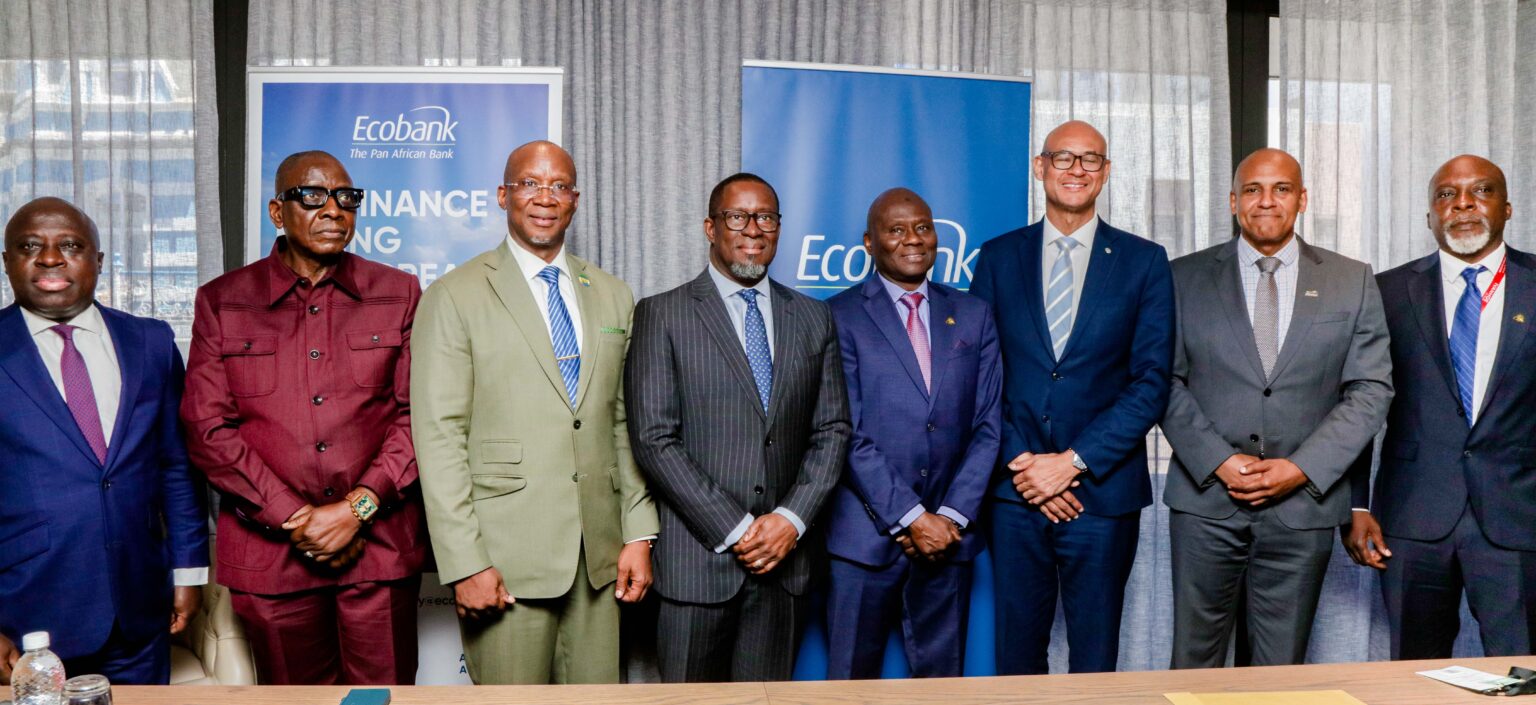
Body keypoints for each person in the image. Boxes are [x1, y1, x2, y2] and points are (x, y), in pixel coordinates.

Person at [413, 140, 658, 685]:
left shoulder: (613, 295)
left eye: (559, 186)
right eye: (529, 183)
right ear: (504, 195)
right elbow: (439, 436)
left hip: (598, 560)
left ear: (575, 200)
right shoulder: (454, 295)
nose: (545, 197)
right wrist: (466, 563)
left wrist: (639, 532)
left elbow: (623, 423)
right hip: (504, 561)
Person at [181, 151, 425, 684]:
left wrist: (355, 510)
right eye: (312, 197)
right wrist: (298, 518)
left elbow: (419, 416)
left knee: (383, 701)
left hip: (379, 553)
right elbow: (207, 429)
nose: (333, 210)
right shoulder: (222, 302)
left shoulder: (399, 292)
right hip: (272, 562)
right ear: (277, 211)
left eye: (346, 198)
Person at [1162, 147, 1392, 668]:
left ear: (1302, 199)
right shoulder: (1181, 277)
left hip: (1302, 507)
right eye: (1253, 190)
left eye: (1281, 189)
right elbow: (1163, 380)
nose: (1266, 201)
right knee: (1193, 663)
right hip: (1206, 504)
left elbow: (1371, 389)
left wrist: (1302, 468)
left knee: (1280, 671)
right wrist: (1219, 460)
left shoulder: (1351, 280)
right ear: (1233, 201)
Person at [625, 172, 851, 682]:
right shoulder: (663, 314)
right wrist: (738, 529)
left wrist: (790, 520)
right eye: (737, 217)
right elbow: (654, 438)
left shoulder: (814, 317)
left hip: (784, 566)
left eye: (766, 217)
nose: (753, 229)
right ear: (711, 227)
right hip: (697, 567)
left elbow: (833, 429)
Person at [970, 120, 1175, 674]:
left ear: (1105, 173)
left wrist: (1071, 464)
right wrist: (1025, 465)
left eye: (1090, 160)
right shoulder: (997, 258)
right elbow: (979, 377)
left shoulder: (1144, 261)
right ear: (1040, 167)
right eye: (1064, 157)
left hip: (1102, 497)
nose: (1076, 169)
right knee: (1016, 658)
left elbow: (1151, 381)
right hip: (1015, 495)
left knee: (1095, 657)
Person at [0, 197, 209, 685]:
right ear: (7, 261)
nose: (50, 258)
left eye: (70, 246)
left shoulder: (151, 343)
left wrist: (188, 572)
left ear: (97, 260)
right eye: (30, 246)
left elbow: (177, 467)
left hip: (140, 612)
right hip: (25, 620)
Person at [1345, 154, 1536, 658]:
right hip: (1411, 519)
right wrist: (1356, 504)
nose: (1463, 204)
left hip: (1519, 518)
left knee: (1523, 672)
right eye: (1447, 195)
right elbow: (1360, 403)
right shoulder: (1385, 292)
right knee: (1413, 671)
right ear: (1430, 215)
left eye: (1481, 191)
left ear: (1508, 207)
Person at [822, 188, 1001, 678]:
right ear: (869, 242)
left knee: (942, 688)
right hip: (863, 541)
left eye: (922, 228)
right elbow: (845, 430)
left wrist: (949, 517)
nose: (913, 239)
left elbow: (988, 426)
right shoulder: (837, 316)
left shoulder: (973, 314)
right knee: (849, 688)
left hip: (950, 536)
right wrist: (911, 517)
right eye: (896, 230)